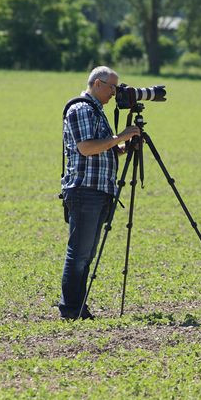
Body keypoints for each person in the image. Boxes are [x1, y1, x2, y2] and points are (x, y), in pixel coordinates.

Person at [58, 66, 140, 320]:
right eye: (111, 87)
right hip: (85, 190)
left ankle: (79, 307)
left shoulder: (97, 111)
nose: (115, 93)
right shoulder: (82, 108)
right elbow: (86, 148)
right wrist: (120, 136)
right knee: (79, 253)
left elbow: (103, 149)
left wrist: (124, 146)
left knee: (87, 254)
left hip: (100, 190)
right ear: (96, 83)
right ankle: (71, 309)